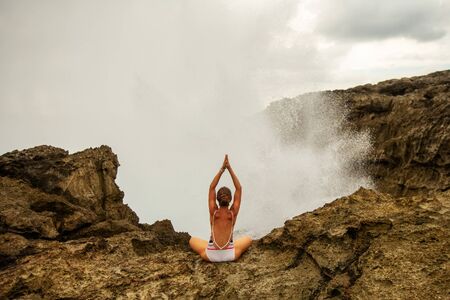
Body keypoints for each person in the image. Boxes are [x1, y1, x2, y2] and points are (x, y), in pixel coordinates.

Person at [189, 154, 252, 262]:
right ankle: (230, 246)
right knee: (248, 239)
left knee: (191, 240)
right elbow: (239, 188)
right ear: (230, 199)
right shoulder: (233, 213)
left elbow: (212, 187)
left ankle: (212, 247)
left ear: (217, 199)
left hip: (211, 256)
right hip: (230, 255)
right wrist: (229, 168)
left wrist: (222, 169)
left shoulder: (213, 212)